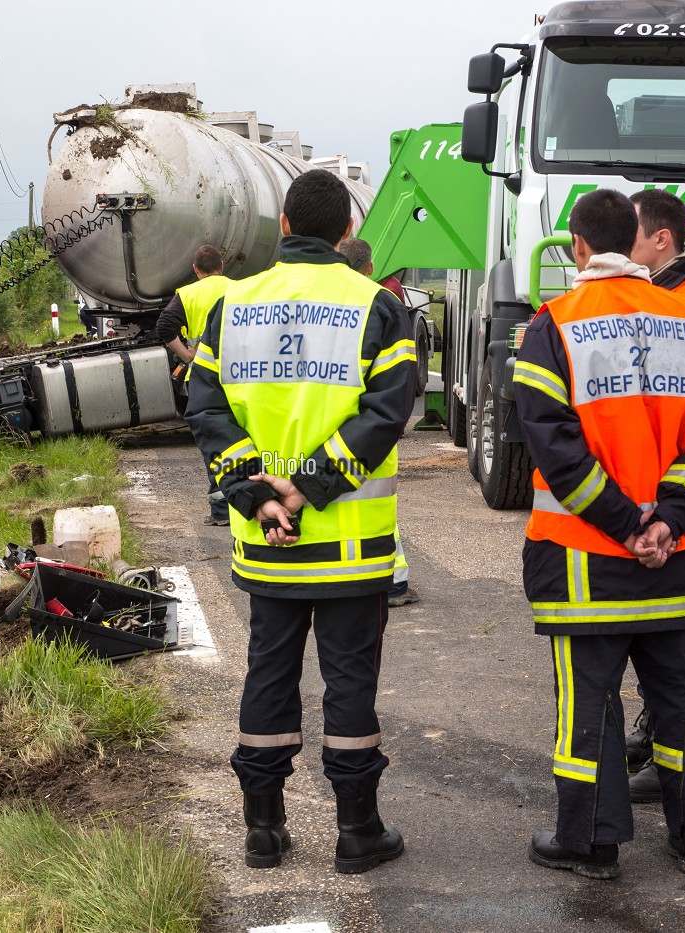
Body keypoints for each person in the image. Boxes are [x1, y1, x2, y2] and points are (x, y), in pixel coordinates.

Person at [185, 169, 416, 873]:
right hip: (348, 546)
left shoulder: (235, 303)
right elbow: (387, 412)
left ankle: (263, 829)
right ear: (347, 231)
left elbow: (205, 406)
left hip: (269, 544)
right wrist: (310, 488)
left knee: (269, 672)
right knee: (350, 683)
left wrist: (258, 498)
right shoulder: (376, 303)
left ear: (284, 225)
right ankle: (357, 831)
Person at [514, 188, 685, 879]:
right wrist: (668, 518)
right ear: (640, 238)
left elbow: (554, 447)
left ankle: (592, 843)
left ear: (578, 246)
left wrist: (627, 522)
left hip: (589, 557)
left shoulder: (551, 326)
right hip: (677, 556)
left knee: (590, 702)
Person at [624, 188, 685, 801]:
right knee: (667, 642)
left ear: (663, 240)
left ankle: (672, 757)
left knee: (679, 650)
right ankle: (657, 735)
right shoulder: (671, 298)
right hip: (672, 499)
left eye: (632, 232)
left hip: (677, 499)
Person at [339, 236, 419, 608]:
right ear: (369, 268)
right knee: (378, 513)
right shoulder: (383, 307)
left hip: (325, 438)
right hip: (374, 441)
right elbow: (400, 389)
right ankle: (395, 582)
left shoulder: (325, 308)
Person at [157, 245, 232, 525]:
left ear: (195, 269)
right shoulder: (241, 289)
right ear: (222, 265)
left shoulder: (187, 294)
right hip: (239, 375)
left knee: (212, 441)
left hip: (202, 378)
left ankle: (221, 511)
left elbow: (164, 327)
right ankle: (246, 502)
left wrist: (187, 355)